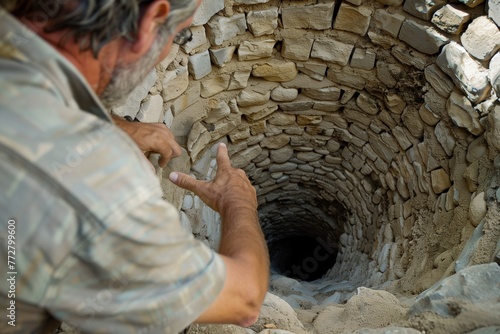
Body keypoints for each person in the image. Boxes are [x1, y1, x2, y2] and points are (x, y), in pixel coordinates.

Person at [0, 0, 270, 333]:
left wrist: (115, 124)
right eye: (181, 35)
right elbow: (244, 299)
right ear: (151, 20)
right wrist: (238, 202)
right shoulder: (93, 183)